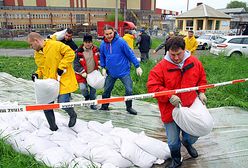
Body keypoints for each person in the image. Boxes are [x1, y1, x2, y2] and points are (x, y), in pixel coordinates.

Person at [147, 36, 207, 168]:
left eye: (178, 54)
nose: (175, 58)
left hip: (190, 107)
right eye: (172, 54)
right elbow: (152, 86)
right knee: (173, 142)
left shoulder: (194, 62)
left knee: (191, 135)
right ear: (168, 51)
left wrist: (201, 92)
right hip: (170, 110)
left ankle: (187, 143)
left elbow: (201, 78)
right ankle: (176, 159)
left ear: (184, 49)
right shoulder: (161, 67)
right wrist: (169, 96)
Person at [28, 32, 78, 131]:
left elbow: (70, 53)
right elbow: (41, 67)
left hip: (63, 80)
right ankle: (53, 127)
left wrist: (61, 66)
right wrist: (37, 74)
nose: (31, 47)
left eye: (31, 44)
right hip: (49, 82)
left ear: (36, 41)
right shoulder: (37, 54)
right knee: (46, 104)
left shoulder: (55, 45)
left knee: (63, 103)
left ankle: (73, 114)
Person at [99, 25, 143, 115]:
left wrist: (137, 66)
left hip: (124, 72)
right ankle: (104, 106)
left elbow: (130, 54)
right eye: (106, 34)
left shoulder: (121, 42)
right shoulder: (103, 44)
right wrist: (103, 67)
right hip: (111, 72)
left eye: (110, 33)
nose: (109, 36)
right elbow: (102, 56)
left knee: (129, 90)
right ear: (104, 34)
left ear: (114, 32)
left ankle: (129, 107)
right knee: (107, 90)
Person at [73, 34, 99, 110]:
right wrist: (82, 72)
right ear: (83, 42)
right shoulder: (78, 52)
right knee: (82, 88)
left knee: (93, 90)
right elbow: (76, 64)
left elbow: (101, 58)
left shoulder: (96, 49)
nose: (88, 44)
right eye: (86, 42)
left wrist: (101, 66)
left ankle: (93, 104)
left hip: (93, 73)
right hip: (82, 74)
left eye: (89, 42)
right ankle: (87, 97)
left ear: (92, 42)